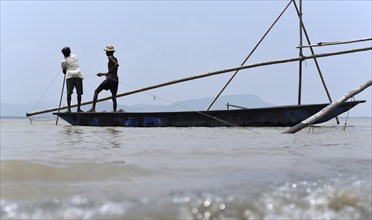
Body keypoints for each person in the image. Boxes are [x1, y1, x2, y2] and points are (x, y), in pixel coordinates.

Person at [88, 45, 119, 112]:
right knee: (113, 96)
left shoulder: (110, 57)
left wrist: (107, 73)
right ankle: (114, 111)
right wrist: (103, 74)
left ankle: (93, 108)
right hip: (115, 79)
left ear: (108, 52)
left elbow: (116, 64)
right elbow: (113, 69)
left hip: (110, 79)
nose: (105, 53)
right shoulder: (115, 58)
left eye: (106, 51)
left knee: (96, 91)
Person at [61, 47, 84, 112]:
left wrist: (65, 69)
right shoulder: (74, 56)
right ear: (70, 52)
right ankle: (78, 108)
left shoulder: (63, 61)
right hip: (78, 75)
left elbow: (64, 71)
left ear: (63, 54)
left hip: (70, 76)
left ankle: (69, 109)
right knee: (79, 93)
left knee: (69, 93)